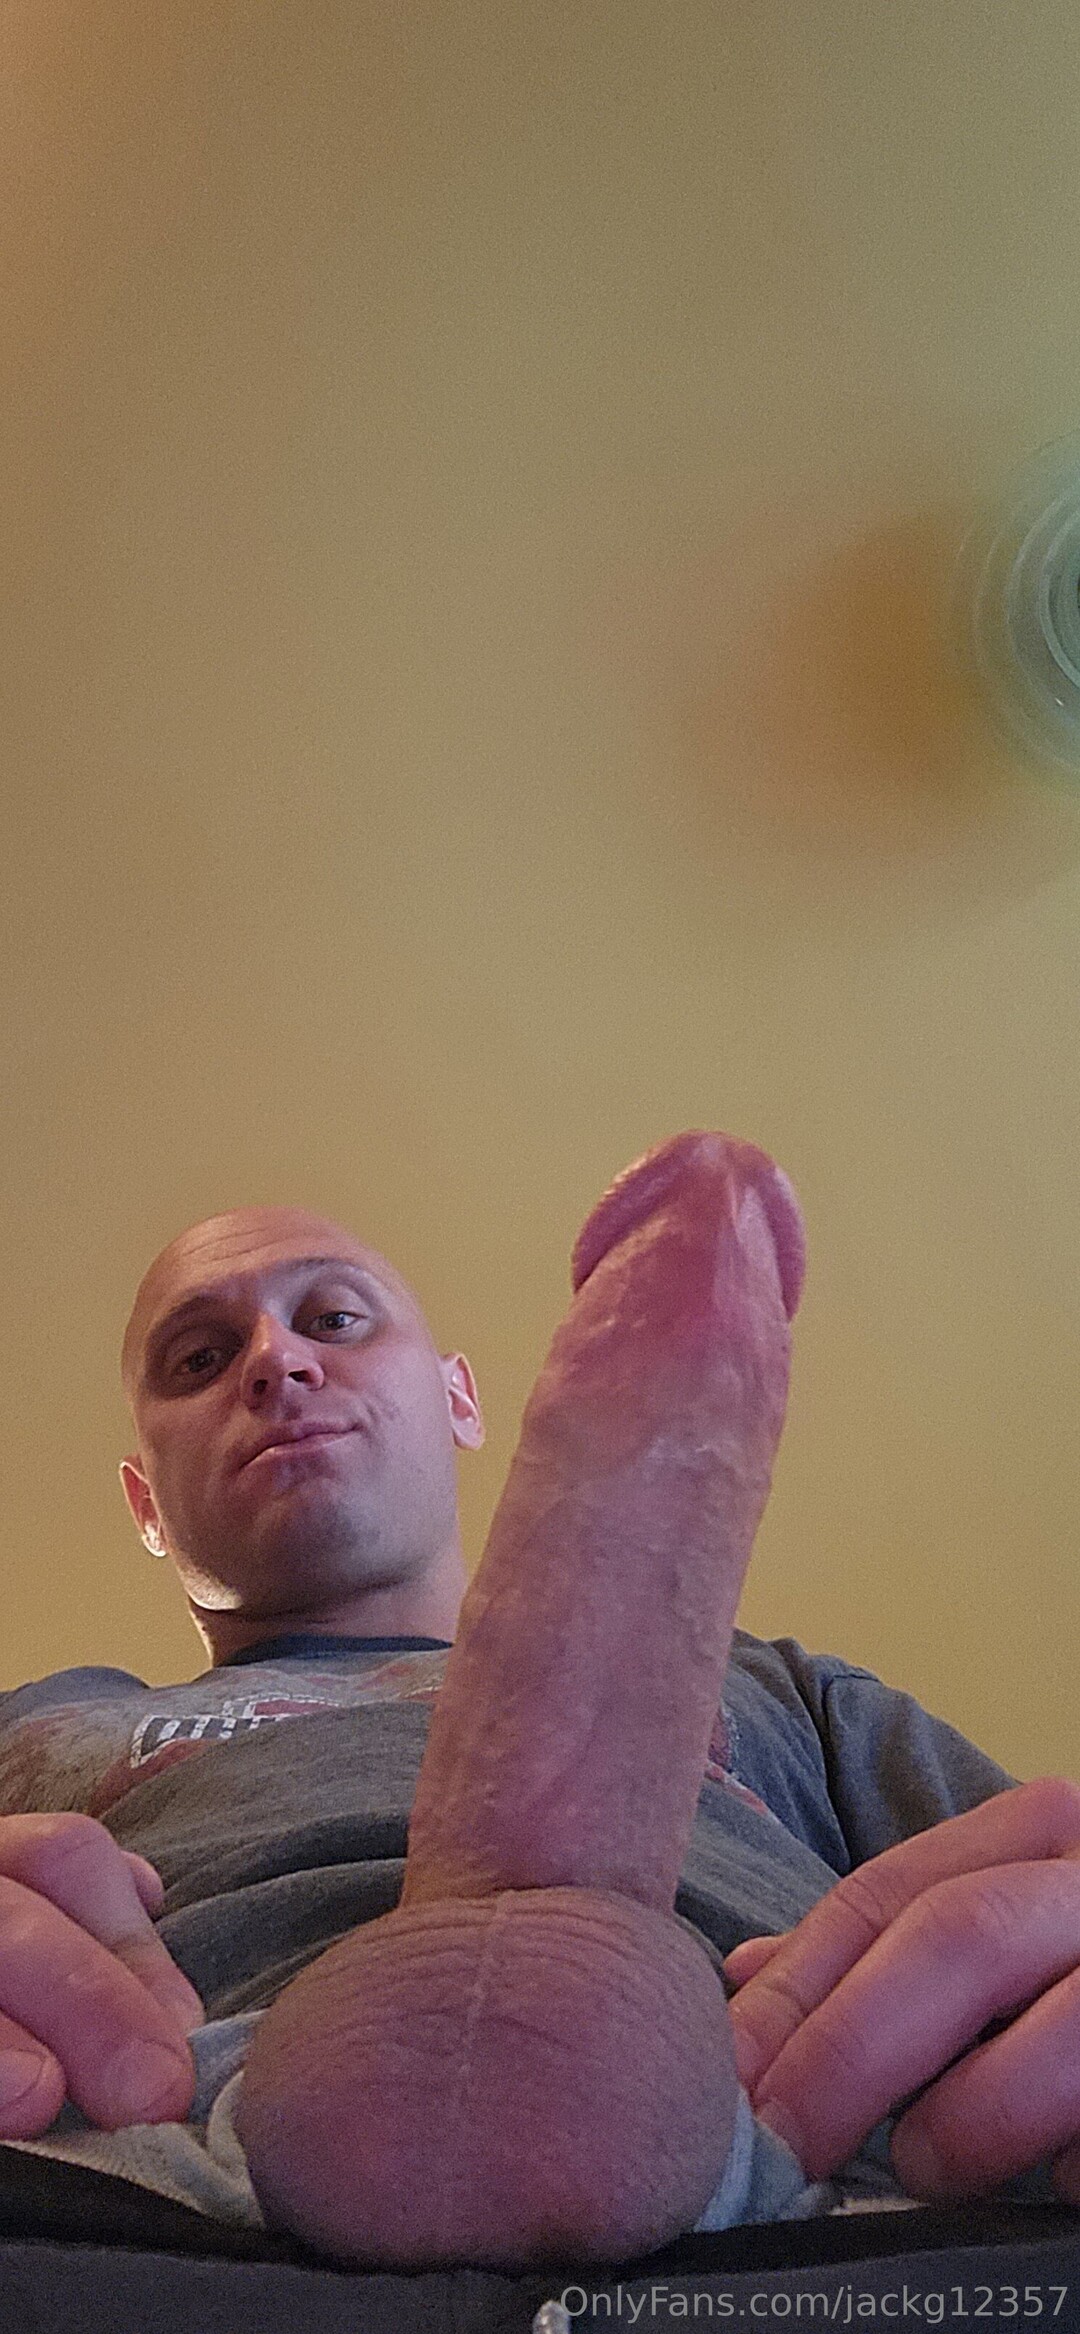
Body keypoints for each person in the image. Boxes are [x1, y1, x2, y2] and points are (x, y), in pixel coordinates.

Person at [0, 1139, 1077, 2269]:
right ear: (146, 1506)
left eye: (334, 1320)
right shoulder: (42, 1719)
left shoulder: (790, 1692)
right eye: (201, 1357)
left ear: (459, 1400)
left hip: (823, 2200)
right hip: (129, 2207)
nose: (275, 1363)